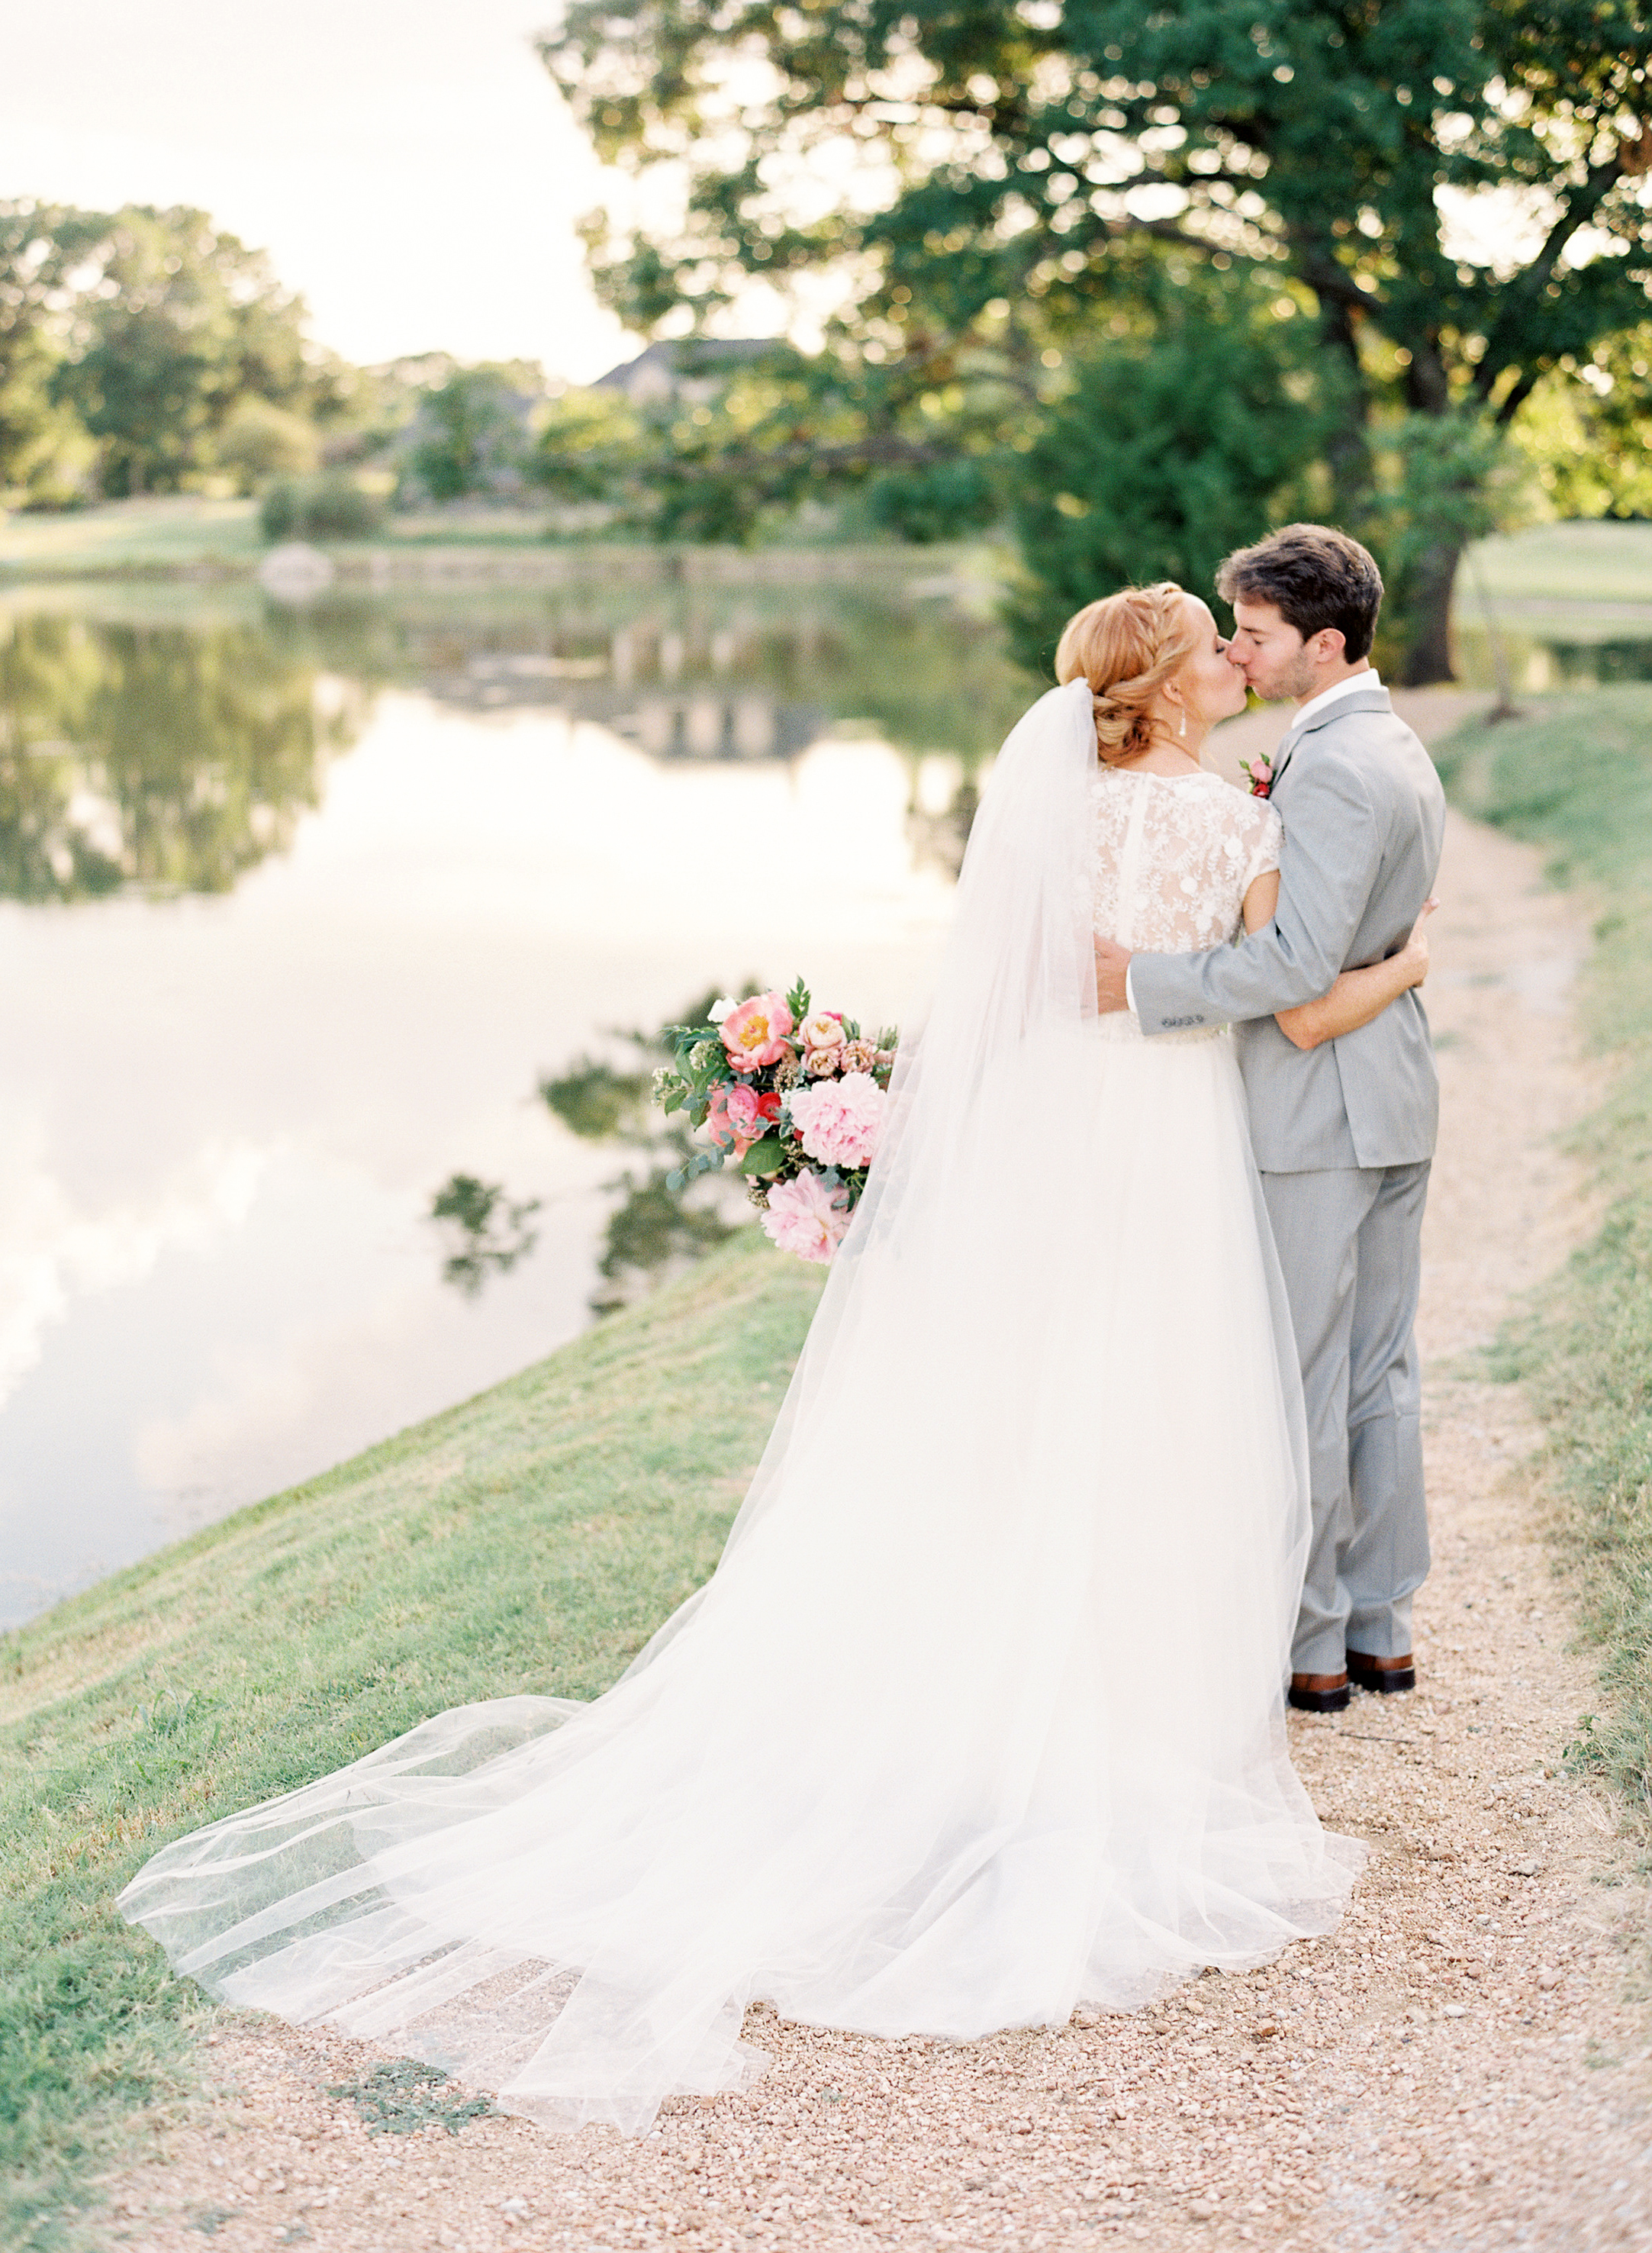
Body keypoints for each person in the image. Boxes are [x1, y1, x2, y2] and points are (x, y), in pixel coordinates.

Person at [119, 580, 1428, 2139]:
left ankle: (975, 1705)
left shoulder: (1056, 812)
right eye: (1211, 647)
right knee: (1151, 1416)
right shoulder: (1227, 820)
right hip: (1159, 1141)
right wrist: (1407, 973)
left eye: (1243, 639)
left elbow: (1021, 990)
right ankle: (1110, 1723)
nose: (1235, 659)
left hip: (1042, 1137)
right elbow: (1275, 979)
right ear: (1164, 688)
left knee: (1008, 1415)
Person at [1096, 527, 1447, 1715]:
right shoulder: (1390, 742)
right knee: (1377, 1371)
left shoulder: (1336, 766)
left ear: (1324, 642)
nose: (1240, 655)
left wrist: (1142, 982)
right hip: (1387, 1097)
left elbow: (1293, 965)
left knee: (1299, 1377)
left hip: (1320, 1110)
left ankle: (1309, 1642)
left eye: (1254, 635)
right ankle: (1378, 1626)